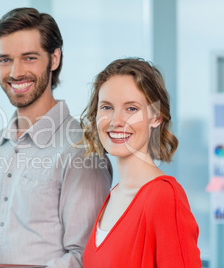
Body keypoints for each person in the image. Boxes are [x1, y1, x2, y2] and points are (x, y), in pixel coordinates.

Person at [0, 7, 112, 267]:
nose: (15, 72)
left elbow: (86, 256)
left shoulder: (81, 148)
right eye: (4, 60)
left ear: (54, 59)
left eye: (29, 58)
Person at [81, 58, 201, 267]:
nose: (116, 121)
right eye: (107, 107)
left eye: (131, 108)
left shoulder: (164, 196)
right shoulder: (114, 195)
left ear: (156, 117)